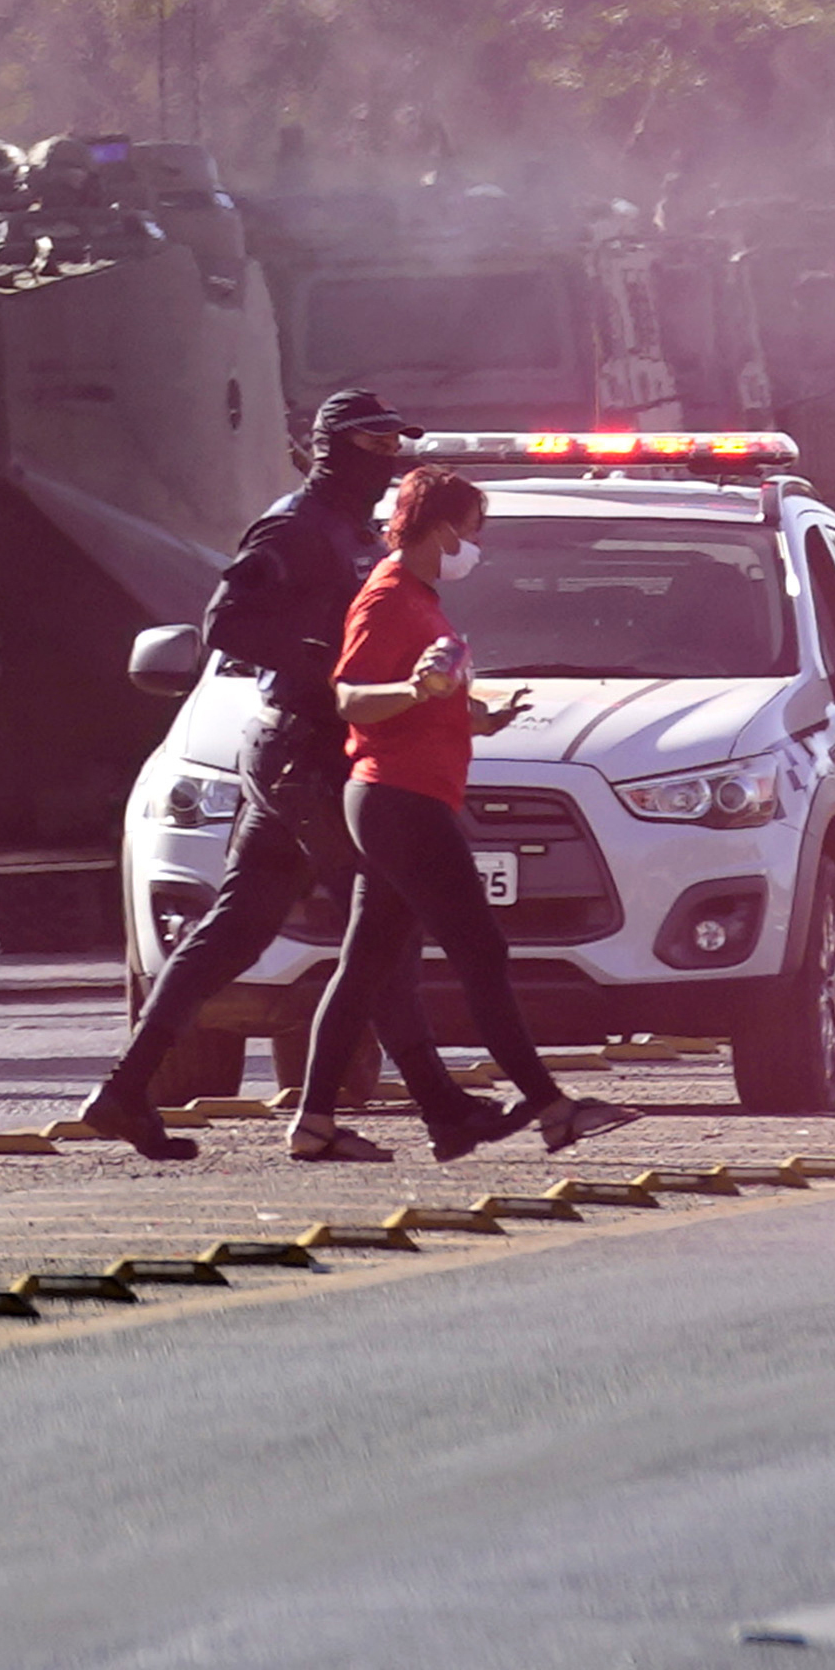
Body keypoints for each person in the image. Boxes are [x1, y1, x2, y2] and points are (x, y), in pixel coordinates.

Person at [67, 388, 512, 1164]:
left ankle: (123, 1092)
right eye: (376, 445)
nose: (390, 460)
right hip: (302, 751)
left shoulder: (356, 532)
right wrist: (320, 661)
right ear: (335, 447)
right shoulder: (296, 525)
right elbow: (225, 622)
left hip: (309, 752)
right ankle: (432, 1109)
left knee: (237, 929)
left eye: (395, 444)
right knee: (382, 927)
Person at [291, 465, 635, 1163]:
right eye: (472, 531)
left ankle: (315, 1122)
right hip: (399, 799)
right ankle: (552, 1107)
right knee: (481, 950)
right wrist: (416, 691)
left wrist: (478, 717)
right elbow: (353, 699)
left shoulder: (420, 596)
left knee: (363, 967)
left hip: (405, 795)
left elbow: (432, 696)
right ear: (441, 527)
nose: (475, 546)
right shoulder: (387, 596)